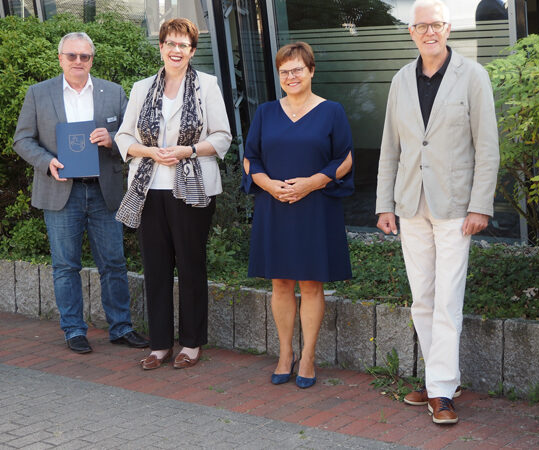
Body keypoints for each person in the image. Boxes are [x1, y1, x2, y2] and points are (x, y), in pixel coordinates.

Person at [375, 0, 500, 425]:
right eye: (421, 26)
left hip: (455, 207)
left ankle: (442, 390)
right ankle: (439, 381)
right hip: (410, 205)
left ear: (448, 29)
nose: (429, 32)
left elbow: (487, 147)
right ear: (411, 32)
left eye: (437, 25)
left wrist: (481, 204)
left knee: (447, 299)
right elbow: (390, 148)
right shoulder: (399, 80)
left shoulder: (473, 76)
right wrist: (384, 205)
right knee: (423, 300)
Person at [13, 32, 148, 354]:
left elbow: (135, 134)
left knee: (114, 263)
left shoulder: (113, 92)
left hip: (104, 192)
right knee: (65, 265)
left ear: (92, 59)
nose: (78, 61)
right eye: (72, 55)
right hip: (61, 191)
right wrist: (47, 162)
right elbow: (22, 140)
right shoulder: (38, 94)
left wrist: (113, 138)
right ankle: (74, 330)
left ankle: (121, 327)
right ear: (60, 58)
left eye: (84, 56)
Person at [115, 18, 231, 370]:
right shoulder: (141, 88)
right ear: (161, 47)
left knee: (191, 265)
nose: (176, 49)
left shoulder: (207, 86)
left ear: (192, 51)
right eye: (170, 43)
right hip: (149, 189)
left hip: (193, 189)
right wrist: (149, 152)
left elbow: (223, 136)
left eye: (183, 45)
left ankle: (192, 343)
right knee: (155, 267)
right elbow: (123, 137)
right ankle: (160, 345)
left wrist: (189, 151)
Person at [242, 42, 353, 389]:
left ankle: (308, 358)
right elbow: (250, 158)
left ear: (311, 71)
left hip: (315, 206)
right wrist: (269, 185)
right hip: (275, 206)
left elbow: (345, 159)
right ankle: (285, 353)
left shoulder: (332, 111)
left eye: (297, 69)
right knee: (280, 282)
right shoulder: (265, 112)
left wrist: (312, 183)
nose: (291, 76)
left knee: (311, 283)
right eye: (284, 71)